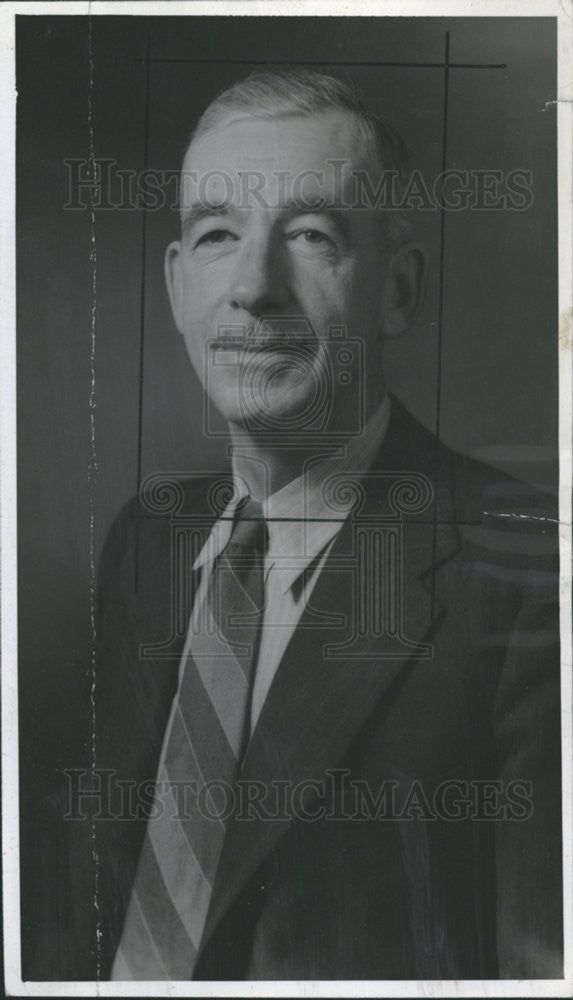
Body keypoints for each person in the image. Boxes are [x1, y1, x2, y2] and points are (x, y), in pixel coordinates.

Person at [71, 69, 561, 981]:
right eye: (217, 234)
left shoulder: (534, 575)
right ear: (180, 289)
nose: (254, 288)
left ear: (398, 291)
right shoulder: (147, 539)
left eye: (310, 235)